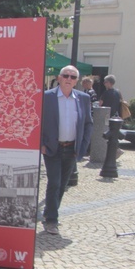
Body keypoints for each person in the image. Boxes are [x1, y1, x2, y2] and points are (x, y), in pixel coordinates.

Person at [40, 65, 93, 235]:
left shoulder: (83, 99)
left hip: (72, 148)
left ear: (77, 81)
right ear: (59, 78)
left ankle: (49, 212)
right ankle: (51, 220)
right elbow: (37, 120)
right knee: (54, 182)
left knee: (62, 184)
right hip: (52, 148)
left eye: (72, 77)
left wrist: (82, 147)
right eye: (66, 75)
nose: (69, 79)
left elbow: (88, 124)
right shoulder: (47, 97)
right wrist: (41, 144)